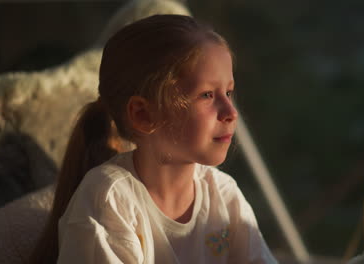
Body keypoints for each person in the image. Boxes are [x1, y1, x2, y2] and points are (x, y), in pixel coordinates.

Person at [30, 14, 277, 263]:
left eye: (228, 92)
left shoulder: (224, 195)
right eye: (207, 95)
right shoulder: (109, 200)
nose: (231, 112)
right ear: (143, 114)